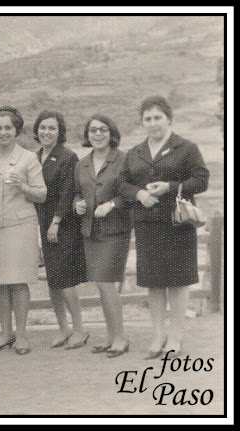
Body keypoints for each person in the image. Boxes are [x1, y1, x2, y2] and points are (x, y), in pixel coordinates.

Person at [119, 96, 209, 359]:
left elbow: (202, 180)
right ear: (142, 123)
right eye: (147, 119)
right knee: (154, 282)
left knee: (178, 282)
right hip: (147, 225)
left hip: (177, 223)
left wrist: (170, 187)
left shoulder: (186, 147)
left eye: (157, 117)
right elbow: (122, 183)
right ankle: (158, 335)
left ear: (169, 118)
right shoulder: (135, 152)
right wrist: (139, 194)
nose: (153, 123)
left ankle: (176, 337)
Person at [0, 106, 47, 355]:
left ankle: (22, 335)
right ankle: (5, 334)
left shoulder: (28, 159)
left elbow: (41, 194)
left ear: (17, 130)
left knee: (18, 281)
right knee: (0, 282)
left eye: (8, 127)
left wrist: (23, 186)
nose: (3, 132)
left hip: (20, 225)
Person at [73, 115, 132, 358]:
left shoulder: (124, 159)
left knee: (107, 282)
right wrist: (77, 204)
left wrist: (112, 205)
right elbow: (77, 194)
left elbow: (131, 193)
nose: (98, 134)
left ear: (111, 133)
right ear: (87, 135)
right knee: (101, 283)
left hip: (115, 230)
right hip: (90, 231)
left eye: (103, 130)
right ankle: (111, 337)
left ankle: (120, 338)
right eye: (93, 130)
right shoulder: (82, 164)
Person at [33, 110, 89, 350]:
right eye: (43, 127)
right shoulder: (35, 156)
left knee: (65, 278)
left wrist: (55, 222)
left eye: (52, 128)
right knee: (53, 280)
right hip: (41, 223)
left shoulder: (68, 157)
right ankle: (63, 329)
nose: (46, 132)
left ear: (60, 132)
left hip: (62, 225)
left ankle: (80, 329)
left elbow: (68, 192)